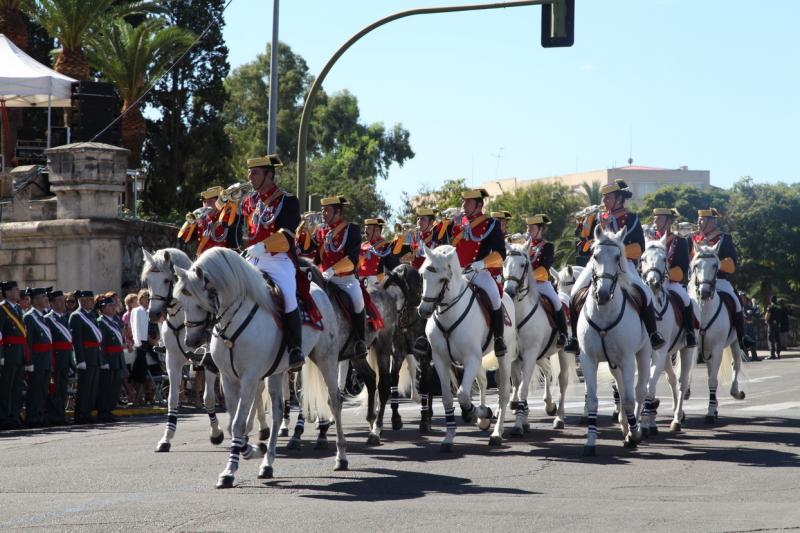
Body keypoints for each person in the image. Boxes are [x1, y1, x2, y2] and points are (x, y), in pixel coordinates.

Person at [568, 179, 666, 354]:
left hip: (623, 264)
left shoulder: (632, 218)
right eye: (604, 198)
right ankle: (574, 339)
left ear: (619, 198)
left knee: (645, 293)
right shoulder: (597, 217)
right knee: (574, 292)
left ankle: (653, 334)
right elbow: (584, 245)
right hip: (597, 264)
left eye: (609, 197)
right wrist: (585, 225)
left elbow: (638, 247)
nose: (604, 201)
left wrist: (616, 251)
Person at [241, 155, 304, 370]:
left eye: (255, 173)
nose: (250, 177)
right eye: (249, 173)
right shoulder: (250, 202)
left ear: (269, 175)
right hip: (253, 258)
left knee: (287, 295)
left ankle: (295, 347)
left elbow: (287, 237)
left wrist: (262, 247)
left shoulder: (287, 201)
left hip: (278, 260)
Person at [299, 194, 367, 359]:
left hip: (345, 279)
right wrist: (305, 232)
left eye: (327, 210)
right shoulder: (321, 230)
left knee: (358, 302)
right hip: (322, 278)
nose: (323, 213)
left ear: (338, 212)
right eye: (322, 210)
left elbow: (352, 259)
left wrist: (333, 270)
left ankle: (360, 342)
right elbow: (308, 250)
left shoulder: (352, 230)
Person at [449, 188, 507, 356]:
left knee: (495, 298)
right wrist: (449, 225)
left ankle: (499, 339)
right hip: (458, 272)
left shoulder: (491, 224)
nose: (463, 205)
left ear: (479, 204)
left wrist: (482, 263)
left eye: (468, 202)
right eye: (463, 202)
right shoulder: (458, 223)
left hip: (478, 272)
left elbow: (500, 254)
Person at [692, 208, 754, 350]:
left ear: (712, 222)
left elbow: (731, 263)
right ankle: (686, 335)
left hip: (719, 280)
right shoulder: (693, 238)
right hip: (696, 282)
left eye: (702, 220)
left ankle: (742, 336)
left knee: (736, 301)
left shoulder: (724, 238)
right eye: (698, 219)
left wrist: (713, 265)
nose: (698, 222)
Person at [651, 208, 697, 347]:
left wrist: (663, 275)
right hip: (649, 279)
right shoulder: (650, 239)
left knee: (686, 300)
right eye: (655, 218)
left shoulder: (680, 241)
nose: (655, 221)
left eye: (659, 218)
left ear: (669, 220)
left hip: (670, 281)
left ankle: (689, 333)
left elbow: (682, 268)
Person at [525, 214, 569, 347]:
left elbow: (545, 269)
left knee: (557, 303)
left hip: (541, 284)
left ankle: (563, 334)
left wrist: (528, 277)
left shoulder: (548, 246)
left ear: (541, 230)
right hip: (523, 284)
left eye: (532, 227)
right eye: (527, 227)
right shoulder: (524, 246)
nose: (528, 230)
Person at [69, 290, 102, 424]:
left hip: (95, 355)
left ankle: (87, 413)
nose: (93, 302)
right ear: (82, 301)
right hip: (86, 357)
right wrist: (80, 359)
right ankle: (80, 414)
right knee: (84, 388)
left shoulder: (92, 316)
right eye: (90, 300)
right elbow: (77, 340)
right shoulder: (76, 316)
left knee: (92, 388)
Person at [23, 288, 53, 427]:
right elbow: (28, 342)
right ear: (34, 300)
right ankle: (33, 416)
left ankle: (40, 415)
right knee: (35, 390)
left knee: (42, 389)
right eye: (43, 296)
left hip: (45, 359)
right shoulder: (29, 317)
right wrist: (29, 362)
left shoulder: (42, 316)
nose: (46, 299)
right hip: (36, 359)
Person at [0, 280, 27, 429]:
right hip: (9, 353)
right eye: (16, 290)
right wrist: (1, 355)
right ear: (8, 292)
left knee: (17, 388)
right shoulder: (2, 309)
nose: (18, 292)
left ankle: (14, 416)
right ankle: (4, 418)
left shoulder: (17, 308)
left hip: (19, 352)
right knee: (6, 388)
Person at [46, 290, 74, 425]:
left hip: (65, 357)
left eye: (63, 301)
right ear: (51, 303)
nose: (63, 303)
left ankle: (60, 415)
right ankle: (54, 416)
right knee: (55, 388)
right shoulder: (48, 319)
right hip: (55, 358)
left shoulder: (63, 318)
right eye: (60, 301)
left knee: (62, 388)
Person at [96, 296, 124, 422]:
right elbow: (101, 344)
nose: (113, 308)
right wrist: (104, 361)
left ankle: (109, 409)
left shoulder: (114, 321)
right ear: (103, 308)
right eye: (110, 306)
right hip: (108, 358)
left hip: (117, 357)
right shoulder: (101, 322)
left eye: (114, 306)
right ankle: (103, 411)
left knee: (114, 386)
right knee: (106, 386)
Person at [357, 217, 400, 286]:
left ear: (377, 230)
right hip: (358, 281)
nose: (365, 231)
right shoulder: (362, 245)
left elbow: (395, 269)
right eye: (365, 228)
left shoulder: (387, 247)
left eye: (368, 228)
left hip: (376, 285)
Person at [129, 289, 152, 403]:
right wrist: (138, 342)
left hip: (147, 343)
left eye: (149, 298)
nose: (147, 300)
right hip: (140, 343)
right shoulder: (137, 310)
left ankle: (141, 397)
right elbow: (135, 327)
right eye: (145, 298)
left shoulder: (148, 311)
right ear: (141, 299)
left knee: (143, 371)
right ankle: (136, 397)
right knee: (139, 371)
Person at [743, 296, 761, 361]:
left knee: (753, 341)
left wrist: (754, 304)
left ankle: (754, 356)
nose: (743, 299)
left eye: (744, 298)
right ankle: (745, 357)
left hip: (750, 326)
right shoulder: (739, 306)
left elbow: (757, 315)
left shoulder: (749, 307)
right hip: (743, 326)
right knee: (744, 342)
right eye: (741, 297)